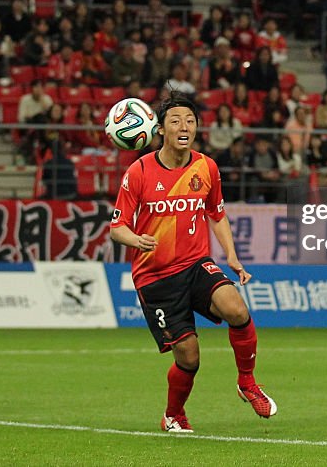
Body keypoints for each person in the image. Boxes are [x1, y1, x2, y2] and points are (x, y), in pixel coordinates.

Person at [110, 95, 276, 433]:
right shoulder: (139, 171)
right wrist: (136, 240)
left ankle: (247, 382)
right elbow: (117, 227)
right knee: (189, 357)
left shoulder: (207, 167)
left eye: (189, 119)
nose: (183, 126)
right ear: (160, 129)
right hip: (155, 277)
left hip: (196, 263)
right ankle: (174, 414)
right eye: (175, 120)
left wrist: (231, 254)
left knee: (237, 310)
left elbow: (217, 214)